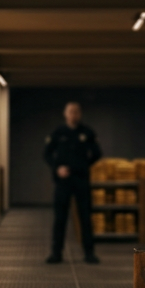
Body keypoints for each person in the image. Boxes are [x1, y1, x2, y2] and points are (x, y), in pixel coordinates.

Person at [44, 101, 102, 264]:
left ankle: (89, 253)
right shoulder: (58, 132)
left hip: (81, 180)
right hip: (63, 181)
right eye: (70, 112)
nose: (73, 115)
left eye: (76, 112)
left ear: (80, 114)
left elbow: (97, 153)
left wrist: (84, 166)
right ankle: (56, 253)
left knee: (85, 217)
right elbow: (47, 154)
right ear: (65, 114)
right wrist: (57, 168)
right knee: (60, 217)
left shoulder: (87, 132)